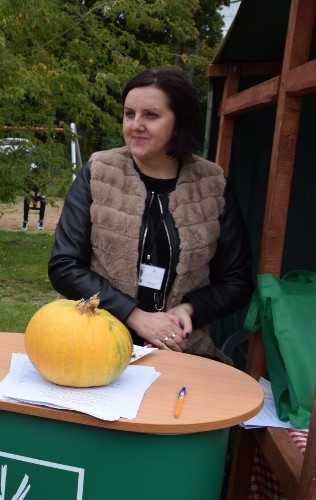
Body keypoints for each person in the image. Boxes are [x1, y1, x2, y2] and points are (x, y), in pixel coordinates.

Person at [48, 66, 253, 360]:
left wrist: (188, 309)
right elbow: (64, 265)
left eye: (151, 115)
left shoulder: (211, 184)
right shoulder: (100, 171)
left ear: (179, 122)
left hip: (180, 347)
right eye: (129, 114)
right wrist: (135, 316)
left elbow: (237, 281)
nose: (136, 125)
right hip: (93, 340)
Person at [21, 164, 46, 231]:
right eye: (34, 171)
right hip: (30, 194)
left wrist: (39, 192)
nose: (35, 172)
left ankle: (40, 221)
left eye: (36, 170)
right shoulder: (28, 177)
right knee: (26, 200)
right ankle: (25, 221)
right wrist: (29, 191)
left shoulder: (41, 177)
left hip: (38, 194)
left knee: (43, 201)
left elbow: (44, 187)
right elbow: (24, 187)